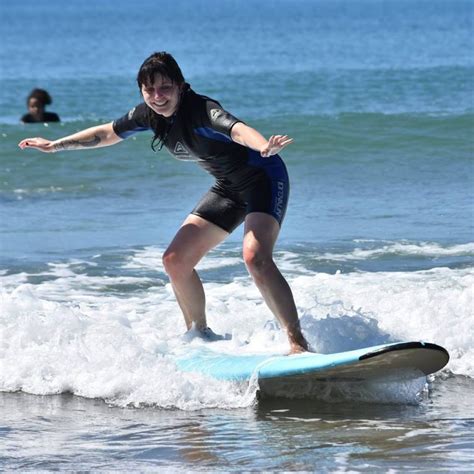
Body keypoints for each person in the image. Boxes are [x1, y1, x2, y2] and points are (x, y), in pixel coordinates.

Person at [18, 51, 309, 353]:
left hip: (263, 177)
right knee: (175, 260)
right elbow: (106, 133)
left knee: (255, 257)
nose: (157, 96)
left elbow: (237, 129)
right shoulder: (148, 114)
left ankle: (297, 344)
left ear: (180, 86)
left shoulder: (202, 110)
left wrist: (263, 146)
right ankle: (200, 336)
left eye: (165, 87)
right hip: (228, 189)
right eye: (149, 90)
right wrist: (55, 146)